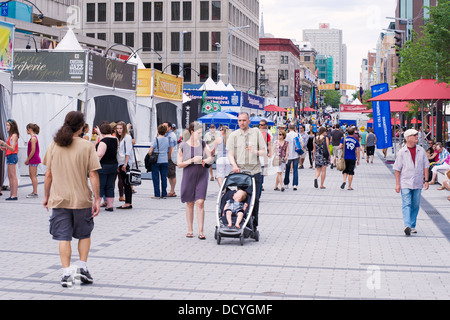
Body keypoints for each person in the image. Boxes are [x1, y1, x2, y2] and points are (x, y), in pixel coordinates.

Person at [42, 111, 101, 287]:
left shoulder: (54, 145)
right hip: (82, 199)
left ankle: (67, 273)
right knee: (84, 234)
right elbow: (93, 174)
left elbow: (48, 174)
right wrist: (97, 198)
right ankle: (82, 268)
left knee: (63, 237)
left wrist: (46, 196)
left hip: (59, 199)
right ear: (82, 127)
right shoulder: (87, 146)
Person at [227, 112, 266, 230]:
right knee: (241, 198)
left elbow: (264, 151)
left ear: (249, 121)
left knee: (254, 199)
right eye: (239, 120)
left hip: (254, 171)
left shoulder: (256, 132)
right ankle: (240, 221)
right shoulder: (233, 135)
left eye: (244, 120)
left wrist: (255, 152)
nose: (241, 123)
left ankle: (253, 224)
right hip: (241, 173)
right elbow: (230, 153)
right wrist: (234, 165)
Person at [177, 122, 213, 240]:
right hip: (189, 176)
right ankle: (190, 230)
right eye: (198, 133)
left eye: (201, 132)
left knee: (200, 202)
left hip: (202, 175)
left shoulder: (203, 143)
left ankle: (201, 231)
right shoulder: (183, 145)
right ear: (192, 132)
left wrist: (206, 160)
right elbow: (179, 164)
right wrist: (192, 160)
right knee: (190, 203)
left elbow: (210, 157)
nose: (200, 134)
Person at [393, 129, 429, 236]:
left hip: (418, 182)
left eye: (417, 136)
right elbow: (397, 169)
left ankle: (412, 225)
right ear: (408, 138)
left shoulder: (421, 150)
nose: (417, 137)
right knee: (407, 203)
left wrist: (426, 180)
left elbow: (425, 166)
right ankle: (407, 225)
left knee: (415, 204)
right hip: (405, 182)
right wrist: (397, 184)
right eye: (415, 136)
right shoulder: (402, 152)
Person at [95, 123, 118, 211]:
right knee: (110, 185)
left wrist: (94, 165)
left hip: (103, 166)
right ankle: (110, 205)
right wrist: (99, 133)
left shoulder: (103, 142)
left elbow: (99, 154)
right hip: (113, 165)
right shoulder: (115, 139)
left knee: (100, 186)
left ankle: (97, 205)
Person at [148, 124, 173, 199]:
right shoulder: (167, 139)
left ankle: (157, 194)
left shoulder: (155, 140)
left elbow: (150, 151)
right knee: (164, 178)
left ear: (158, 131)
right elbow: (169, 150)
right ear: (165, 131)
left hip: (156, 161)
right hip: (165, 160)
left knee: (156, 178)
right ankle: (164, 194)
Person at [116, 121, 134, 209]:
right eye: (117, 128)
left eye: (120, 128)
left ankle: (128, 203)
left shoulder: (127, 137)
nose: (119, 130)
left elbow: (128, 151)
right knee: (124, 182)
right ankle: (127, 202)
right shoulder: (120, 138)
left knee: (127, 183)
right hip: (121, 162)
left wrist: (125, 164)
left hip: (125, 163)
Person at [0, 119, 19, 200]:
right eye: (6, 125)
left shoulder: (14, 136)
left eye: (8, 125)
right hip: (10, 156)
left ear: (12, 126)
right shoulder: (11, 136)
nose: (7, 127)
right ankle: (12, 194)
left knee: (13, 176)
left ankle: (14, 195)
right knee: (10, 176)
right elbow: (10, 148)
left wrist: (3, 143)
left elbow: (12, 148)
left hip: (12, 156)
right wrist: (4, 148)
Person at [24, 123, 41, 198]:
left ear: (30, 129)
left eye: (27, 129)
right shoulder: (33, 138)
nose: (26, 131)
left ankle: (35, 192)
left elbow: (33, 150)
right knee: (32, 175)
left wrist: (27, 159)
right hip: (33, 159)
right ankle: (34, 191)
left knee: (33, 176)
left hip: (33, 159)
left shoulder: (33, 138)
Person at [163, 122, 178, 197]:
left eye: (165, 126)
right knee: (169, 174)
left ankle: (172, 191)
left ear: (170, 127)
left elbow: (171, 149)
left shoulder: (171, 136)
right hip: (168, 157)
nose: (164, 127)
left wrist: (168, 158)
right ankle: (172, 190)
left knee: (172, 174)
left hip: (171, 157)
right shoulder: (166, 134)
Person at [284, 124, 299, 190]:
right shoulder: (297, 135)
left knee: (287, 169)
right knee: (295, 170)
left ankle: (286, 183)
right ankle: (295, 184)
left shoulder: (286, 135)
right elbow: (301, 143)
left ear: (289, 128)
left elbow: (284, 145)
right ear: (295, 128)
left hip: (288, 154)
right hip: (296, 154)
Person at [258, 119, 272, 192]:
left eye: (262, 125)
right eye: (259, 124)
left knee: (262, 172)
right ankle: (259, 185)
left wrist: (270, 152)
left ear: (265, 125)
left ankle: (261, 184)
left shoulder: (267, 134)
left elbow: (269, 144)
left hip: (263, 155)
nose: (260, 126)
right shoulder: (256, 133)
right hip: (256, 155)